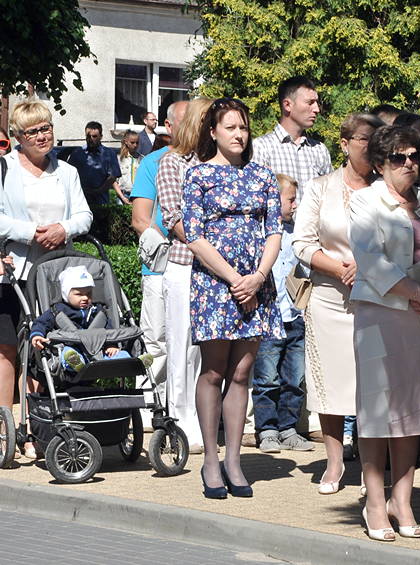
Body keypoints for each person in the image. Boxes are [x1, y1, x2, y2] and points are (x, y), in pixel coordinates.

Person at [348, 124, 420, 541]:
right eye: (399, 157)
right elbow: (370, 259)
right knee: (378, 410)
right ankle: (375, 502)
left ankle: (403, 499)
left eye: (414, 156)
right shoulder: (365, 200)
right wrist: (416, 291)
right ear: (380, 164)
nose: (409, 163)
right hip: (380, 315)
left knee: (413, 410)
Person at [182, 97, 283, 499]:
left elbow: (274, 230)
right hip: (214, 284)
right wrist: (233, 278)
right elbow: (193, 235)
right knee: (214, 370)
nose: (239, 134)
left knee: (242, 373)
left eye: (243, 127)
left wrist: (256, 278)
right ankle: (210, 458)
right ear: (213, 132)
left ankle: (235, 460)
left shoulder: (262, 176)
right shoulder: (198, 176)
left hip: (256, 285)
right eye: (230, 127)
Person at [292, 113, 384, 491]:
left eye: (378, 139)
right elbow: (302, 242)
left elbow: (400, 240)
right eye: (365, 139)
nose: (372, 146)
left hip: (377, 297)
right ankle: (333, 463)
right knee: (329, 383)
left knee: (374, 384)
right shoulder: (319, 187)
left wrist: (365, 267)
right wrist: (337, 268)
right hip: (329, 297)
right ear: (344, 143)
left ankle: (372, 466)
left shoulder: (386, 189)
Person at [0, 99, 92, 459]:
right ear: (18, 137)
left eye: (46, 128)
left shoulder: (66, 172)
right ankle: (6, 426)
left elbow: (84, 216)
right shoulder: (4, 169)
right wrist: (31, 232)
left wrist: (63, 228)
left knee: (43, 350)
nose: (42, 136)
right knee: (8, 351)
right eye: (33, 131)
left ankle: (37, 428)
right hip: (14, 272)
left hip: (55, 274)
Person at [157, 97, 214, 453]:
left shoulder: (217, 164)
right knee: (182, 349)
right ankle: (179, 423)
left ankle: (205, 420)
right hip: (184, 265)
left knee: (210, 352)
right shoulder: (172, 163)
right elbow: (175, 221)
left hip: (216, 270)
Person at [129, 100, 188, 433]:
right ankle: (150, 408)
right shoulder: (152, 163)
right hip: (161, 267)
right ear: (169, 125)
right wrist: (169, 246)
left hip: (198, 267)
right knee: (157, 341)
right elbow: (140, 219)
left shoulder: (206, 163)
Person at [251, 174, 314, 454]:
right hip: (269, 316)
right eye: (290, 199)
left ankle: (288, 428)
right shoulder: (262, 232)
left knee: (295, 377)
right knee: (266, 378)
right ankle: (267, 430)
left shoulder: (298, 232)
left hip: (295, 317)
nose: (295, 205)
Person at [29, 265, 152, 372]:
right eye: (79, 294)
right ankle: (76, 363)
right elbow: (41, 322)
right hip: (72, 346)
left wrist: (111, 345)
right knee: (67, 353)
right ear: (66, 294)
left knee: (118, 354)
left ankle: (135, 362)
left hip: (100, 349)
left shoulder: (97, 310)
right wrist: (36, 334)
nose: (85, 298)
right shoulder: (57, 310)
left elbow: (109, 330)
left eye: (88, 294)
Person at [254, 76, 333, 197]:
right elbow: (256, 198)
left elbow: (330, 198)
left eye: (316, 103)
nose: (316, 109)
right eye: (310, 103)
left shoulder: (319, 150)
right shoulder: (262, 148)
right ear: (287, 105)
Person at [66, 121, 123, 206]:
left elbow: (113, 176)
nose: (91, 139)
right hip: (80, 200)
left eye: (94, 136)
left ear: (101, 136)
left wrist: (98, 191)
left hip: (101, 201)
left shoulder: (109, 154)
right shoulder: (78, 153)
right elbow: (69, 175)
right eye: (88, 136)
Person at [116, 130, 141, 205]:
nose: (135, 145)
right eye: (132, 143)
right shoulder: (119, 158)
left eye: (137, 142)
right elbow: (114, 180)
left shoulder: (141, 158)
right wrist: (122, 197)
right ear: (126, 142)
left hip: (137, 195)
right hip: (123, 195)